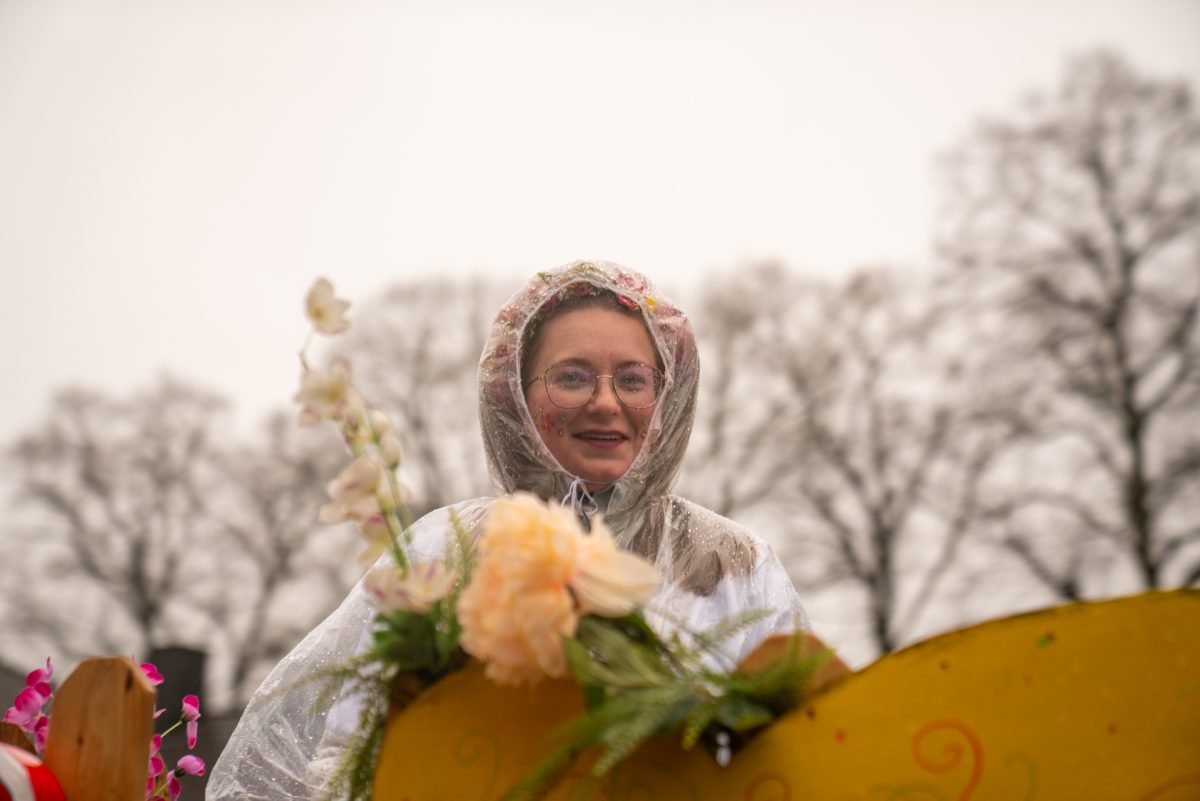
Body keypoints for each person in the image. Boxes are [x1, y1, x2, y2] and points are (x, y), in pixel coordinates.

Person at [208, 260, 824, 800]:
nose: (606, 402)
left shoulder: (734, 564)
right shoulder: (444, 548)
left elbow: (803, 751)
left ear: (668, 399)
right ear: (516, 398)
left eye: (634, 379)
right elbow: (345, 756)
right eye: (573, 376)